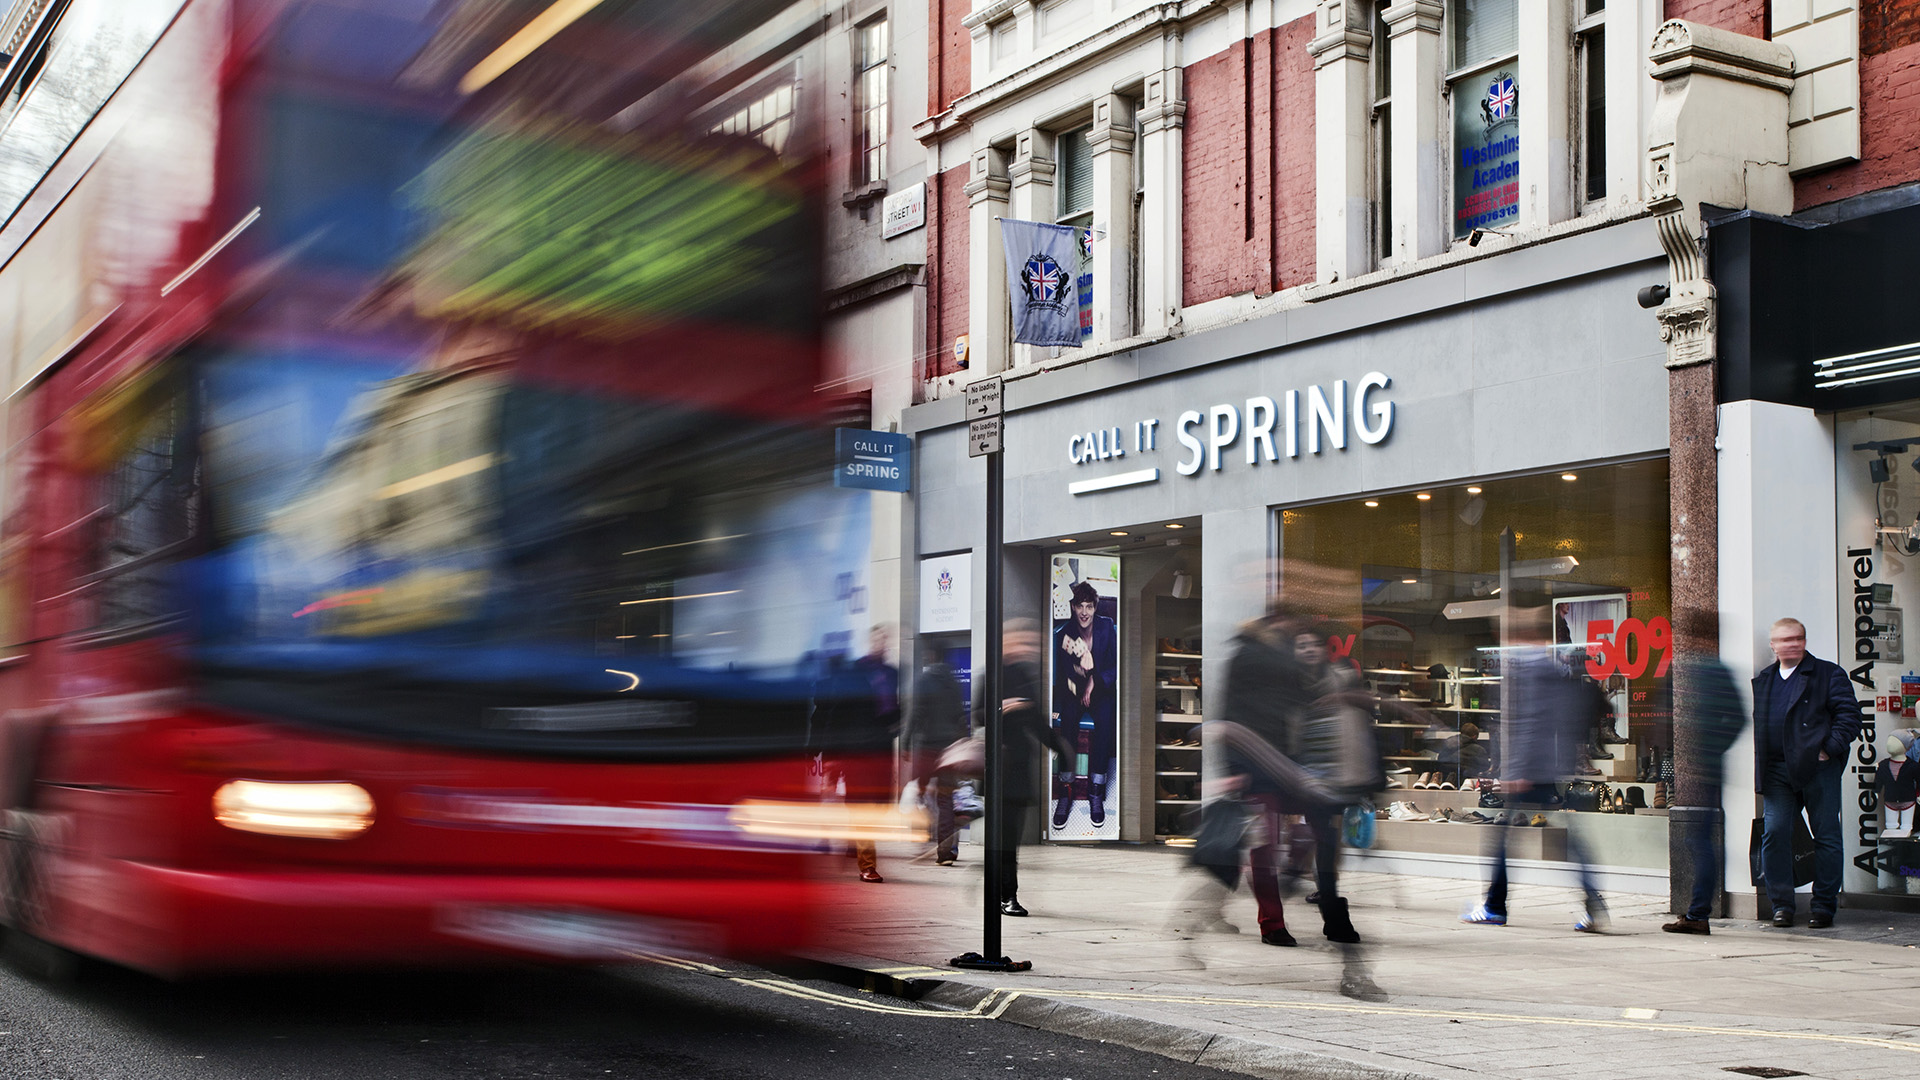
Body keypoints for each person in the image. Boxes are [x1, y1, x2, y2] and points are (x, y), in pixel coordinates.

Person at [1463, 604, 1608, 931]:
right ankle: (1592, 903)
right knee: (1559, 840)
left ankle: (1495, 907)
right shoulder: (1546, 665)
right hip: (1543, 765)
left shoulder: (1532, 667)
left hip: (1532, 769)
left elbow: (1533, 722)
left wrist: (1518, 772)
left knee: (1504, 838)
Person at [1752, 616, 1860, 929]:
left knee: (1826, 835)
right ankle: (1782, 906)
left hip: (1818, 768)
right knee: (1775, 833)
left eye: (1797, 638)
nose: (1792, 644)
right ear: (1773, 645)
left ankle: (1824, 906)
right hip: (1776, 769)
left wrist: (1827, 749)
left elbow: (1850, 716)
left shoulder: (1828, 673)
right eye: (1784, 640)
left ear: (1805, 641)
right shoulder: (1765, 679)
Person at [1660, 611, 1747, 935]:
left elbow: (1736, 717)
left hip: (1703, 769)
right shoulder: (1700, 668)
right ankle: (1697, 912)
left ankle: (1699, 914)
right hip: (1702, 767)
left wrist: (1706, 751)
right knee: (1698, 840)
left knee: (1700, 841)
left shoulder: (1708, 670)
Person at [985, 619, 1076, 916]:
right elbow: (976, 717)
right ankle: (1002, 894)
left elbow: (1037, 722)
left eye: (1030, 642)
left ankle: (1005, 894)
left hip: (1018, 772)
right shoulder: (992, 675)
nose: (1026, 647)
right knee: (1002, 839)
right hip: (997, 769)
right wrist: (1003, 707)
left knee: (1010, 839)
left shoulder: (1024, 676)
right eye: (1021, 641)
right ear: (1006, 643)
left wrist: (1062, 752)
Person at [1051, 581, 1118, 828]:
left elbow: (1114, 667)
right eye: (1080, 605)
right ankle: (1065, 791)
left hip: (1100, 690)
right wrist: (1081, 679)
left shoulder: (1106, 626)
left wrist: (1094, 682)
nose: (1084, 612)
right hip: (1074, 691)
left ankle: (1096, 792)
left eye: (1089, 606)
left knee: (1106, 721)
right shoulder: (1065, 633)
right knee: (1067, 724)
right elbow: (1063, 676)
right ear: (1072, 606)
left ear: (1095, 607)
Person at [903, 644, 967, 865]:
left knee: (919, 792)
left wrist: (905, 742)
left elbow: (916, 713)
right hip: (949, 749)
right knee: (946, 799)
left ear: (930, 657)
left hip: (928, 747)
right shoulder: (954, 684)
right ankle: (945, 852)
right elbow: (961, 716)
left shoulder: (924, 681)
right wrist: (962, 743)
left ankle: (922, 836)